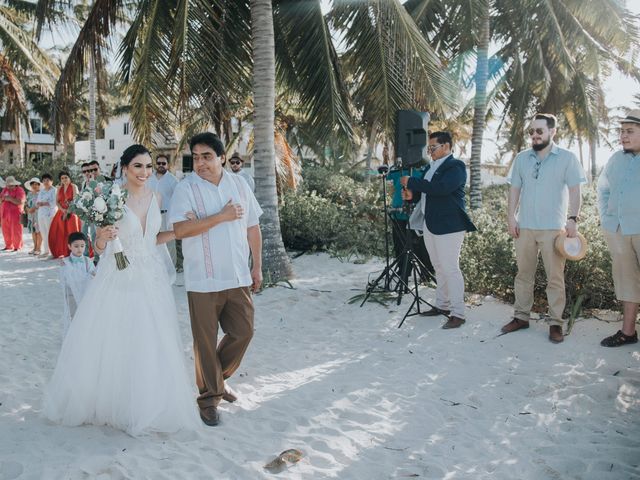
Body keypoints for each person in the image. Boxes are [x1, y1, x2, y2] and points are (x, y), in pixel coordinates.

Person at [43, 144, 200, 436]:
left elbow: (153, 237)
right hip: (118, 273)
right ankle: (112, 401)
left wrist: (179, 231)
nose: (144, 172)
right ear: (125, 168)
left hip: (150, 274)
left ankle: (147, 401)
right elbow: (101, 249)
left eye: (149, 166)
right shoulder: (111, 198)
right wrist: (101, 237)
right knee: (117, 335)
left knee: (150, 338)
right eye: (138, 166)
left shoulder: (157, 196)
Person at [170, 132, 262, 427]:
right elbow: (181, 230)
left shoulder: (240, 184)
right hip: (202, 279)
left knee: (243, 331)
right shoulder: (185, 188)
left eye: (206, 156)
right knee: (205, 342)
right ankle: (209, 398)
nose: (200, 163)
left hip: (237, 275)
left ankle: (217, 381)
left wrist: (256, 267)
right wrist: (221, 216)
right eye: (195, 158)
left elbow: (252, 227)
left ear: (222, 157)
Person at [501, 113, 586, 344]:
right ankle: (521, 317)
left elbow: (575, 191)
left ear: (552, 131)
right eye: (531, 131)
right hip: (525, 227)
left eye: (539, 131)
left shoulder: (567, 158)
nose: (535, 135)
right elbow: (515, 190)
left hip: (553, 229)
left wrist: (573, 219)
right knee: (523, 274)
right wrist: (511, 217)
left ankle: (556, 323)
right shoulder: (521, 158)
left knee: (555, 278)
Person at [400, 131, 476, 329]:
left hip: (450, 225)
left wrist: (412, 182)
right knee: (439, 267)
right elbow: (427, 194)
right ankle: (442, 305)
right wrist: (412, 196)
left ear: (447, 147)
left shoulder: (456, 166)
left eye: (433, 147)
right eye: (429, 148)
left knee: (450, 268)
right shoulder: (430, 167)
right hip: (431, 223)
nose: (430, 151)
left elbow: (442, 188)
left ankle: (458, 313)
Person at [597, 109, 640, 347]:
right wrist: (606, 218)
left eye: (630, 132)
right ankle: (628, 332)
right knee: (627, 282)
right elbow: (602, 189)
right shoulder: (615, 159)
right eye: (622, 132)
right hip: (619, 230)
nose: (623, 136)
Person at [386, 164, 434, 285]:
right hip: (398, 214)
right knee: (400, 245)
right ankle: (404, 274)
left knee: (421, 247)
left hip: (417, 215)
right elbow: (388, 182)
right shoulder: (396, 169)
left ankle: (426, 275)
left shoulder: (425, 168)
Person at [58, 232, 96, 337]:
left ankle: (84, 334)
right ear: (69, 246)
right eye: (76, 246)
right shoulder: (65, 262)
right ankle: (75, 335)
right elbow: (65, 279)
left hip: (85, 293)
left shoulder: (88, 261)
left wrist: (92, 275)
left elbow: (93, 275)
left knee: (85, 314)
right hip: (71, 294)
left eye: (82, 246)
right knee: (73, 315)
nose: (79, 249)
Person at [147, 154, 179, 266]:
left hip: (166, 215)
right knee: (152, 240)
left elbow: (178, 199)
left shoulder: (173, 180)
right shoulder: (149, 178)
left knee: (169, 242)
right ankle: (156, 266)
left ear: (168, 165)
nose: (161, 165)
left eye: (163, 163)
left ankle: (172, 267)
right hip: (151, 215)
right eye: (159, 163)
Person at [48, 171, 82, 258]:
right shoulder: (59, 188)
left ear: (69, 178)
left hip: (72, 212)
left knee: (72, 231)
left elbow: (75, 200)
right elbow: (57, 202)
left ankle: (75, 252)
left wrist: (68, 211)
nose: (64, 179)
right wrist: (63, 210)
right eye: (62, 178)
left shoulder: (74, 186)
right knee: (59, 232)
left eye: (66, 177)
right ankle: (63, 251)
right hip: (61, 211)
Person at [0, 176, 26, 252]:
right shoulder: (5, 189)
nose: (9, 187)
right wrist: (2, 199)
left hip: (16, 213)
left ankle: (17, 246)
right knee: (5, 230)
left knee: (16, 230)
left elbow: (20, 201)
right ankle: (8, 245)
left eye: (11, 185)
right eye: (8, 185)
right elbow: (1, 199)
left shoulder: (20, 190)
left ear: (15, 184)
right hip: (4, 213)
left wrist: (10, 199)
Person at [36, 173, 57, 257]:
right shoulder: (42, 191)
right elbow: (37, 202)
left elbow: (54, 203)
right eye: (44, 180)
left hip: (50, 214)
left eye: (47, 180)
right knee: (43, 233)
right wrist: (39, 204)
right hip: (41, 214)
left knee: (50, 232)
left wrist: (44, 203)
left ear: (51, 181)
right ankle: (46, 251)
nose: (45, 182)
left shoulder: (54, 190)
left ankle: (53, 251)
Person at [24, 177, 42, 255]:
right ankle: (34, 247)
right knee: (33, 231)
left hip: (38, 214)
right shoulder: (29, 193)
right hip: (31, 215)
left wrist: (34, 208)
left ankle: (39, 248)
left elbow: (41, 203)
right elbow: (26, 203)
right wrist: (28, 209)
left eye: (36, 184)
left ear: (39, 185)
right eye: (32, 184)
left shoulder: (41, 193)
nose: (34, 186)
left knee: (38, 231)